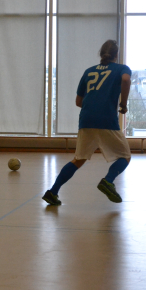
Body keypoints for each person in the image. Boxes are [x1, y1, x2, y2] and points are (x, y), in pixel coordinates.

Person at [42, 40, 132, 206]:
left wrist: (94, 104)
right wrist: (123, 104)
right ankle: (108, 181)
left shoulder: (89, 71)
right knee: (125, 156)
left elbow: (78, 101)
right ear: (116, 55)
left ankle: (52, 192)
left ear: (101, 54)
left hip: (86, 119)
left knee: (78, 159)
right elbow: (126, 80)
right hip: (106, 119)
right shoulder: (121, 69)